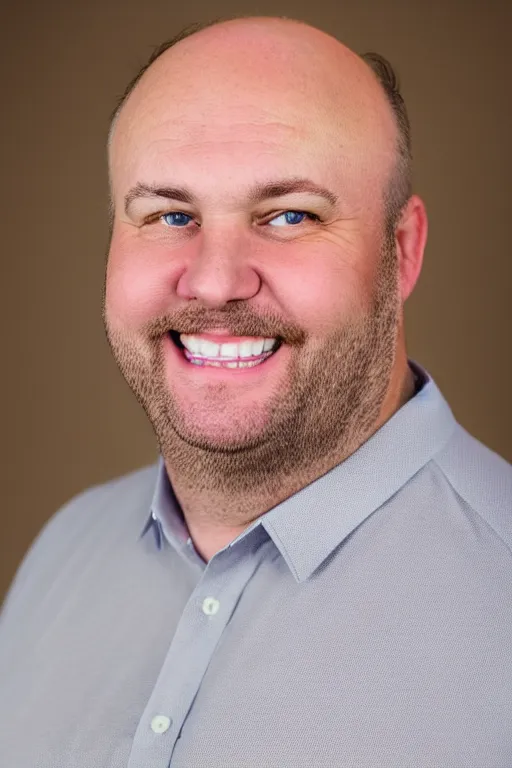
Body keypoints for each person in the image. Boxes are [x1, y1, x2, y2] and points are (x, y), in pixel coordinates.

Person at [1, 15, 511, 768]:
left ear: (400, 252)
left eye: (290, 215)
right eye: (170, 215)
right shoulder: (61, 556)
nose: (214, 279)